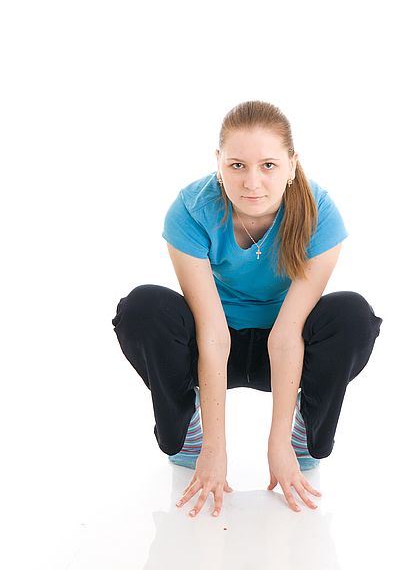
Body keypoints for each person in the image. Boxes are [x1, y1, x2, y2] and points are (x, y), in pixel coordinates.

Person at [111, 100, 382, 519]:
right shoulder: (191, 209)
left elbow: (286, 335)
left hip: (287, 349)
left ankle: (304, 431)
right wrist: (217, 451)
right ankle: (188, 431)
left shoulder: (320, 213)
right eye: (237, 165)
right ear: (218, 163)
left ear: (292, 165)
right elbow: (213, 334)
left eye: (268, 165)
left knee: (352, 315)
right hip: (215, 343)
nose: (252, 182)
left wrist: (275, 443)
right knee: (143, 307)